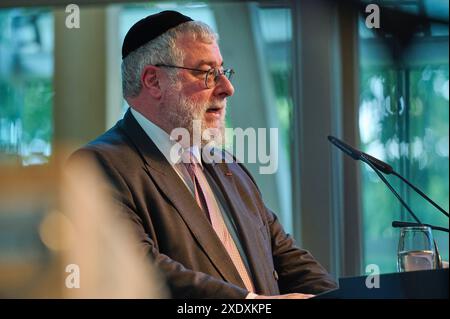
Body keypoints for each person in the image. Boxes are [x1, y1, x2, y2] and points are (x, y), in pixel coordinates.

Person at [71, 10, 337, 299]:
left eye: (223, 71)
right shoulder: (98, 165)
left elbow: (284, 254)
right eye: (207, 73)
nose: (227, 88)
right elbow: (139, 268)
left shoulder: (229, 166)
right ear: (153, 81)